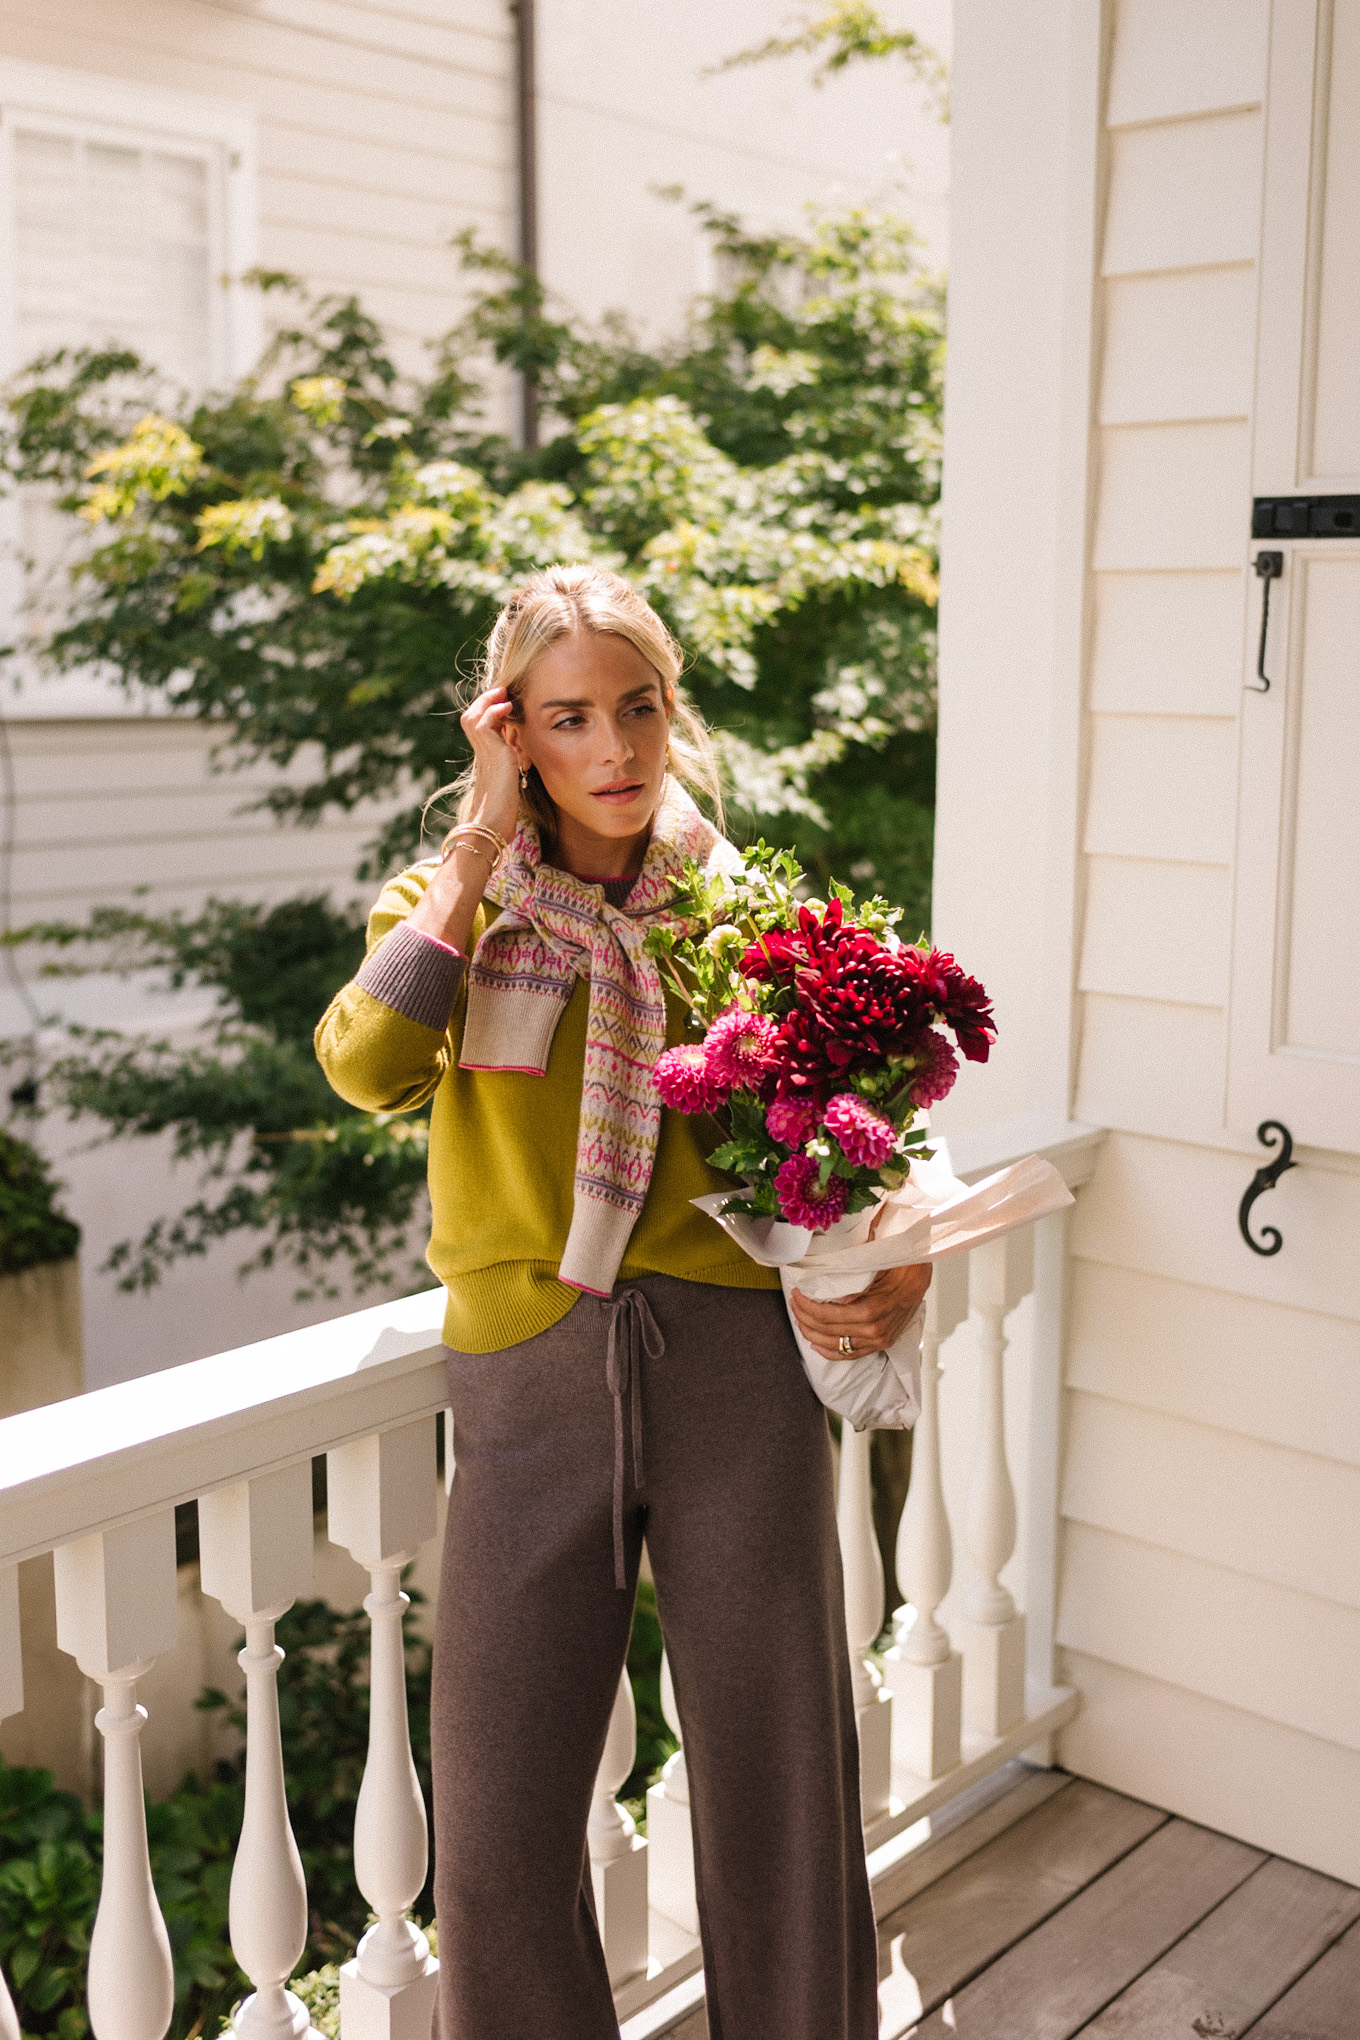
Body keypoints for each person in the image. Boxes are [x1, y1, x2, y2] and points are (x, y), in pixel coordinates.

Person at [315, 564, 931, 2039]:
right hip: (529, 1374)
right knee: (504, 1805)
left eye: (638, 709)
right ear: (512, 730)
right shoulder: (451, 910)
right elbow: (364, 1065)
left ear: (673, 710)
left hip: (732, 1366)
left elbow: (865, 1131)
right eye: (568, 718)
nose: (614, 750)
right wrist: (471, 853)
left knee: (781, 1771)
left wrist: (893, 1260)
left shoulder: (743, 915)